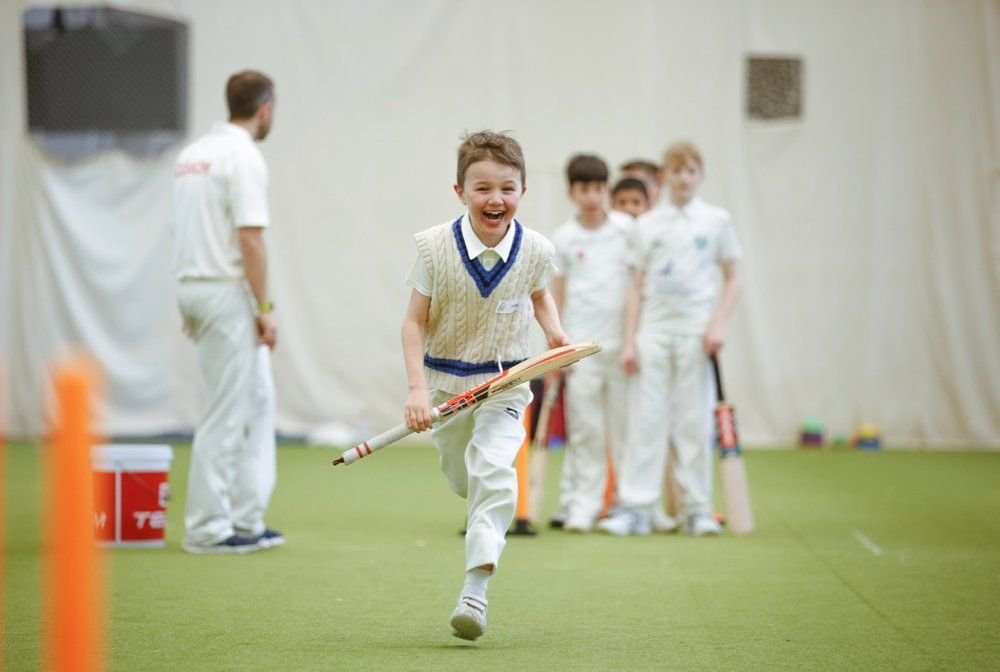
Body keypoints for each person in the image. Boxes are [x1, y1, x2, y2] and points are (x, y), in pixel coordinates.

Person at [402, 130, 570, 640]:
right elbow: (413, 323)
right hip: (446, 386)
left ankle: (474, 592)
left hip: (507, 383)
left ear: (522, 191)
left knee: (495, 471)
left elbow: (538, 292)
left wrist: (555, 333)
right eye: (481, 188)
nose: (495, 199)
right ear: (459, 192)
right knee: (465, 477)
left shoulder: (538, 249)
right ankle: (477, 499)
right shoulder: (433, 248)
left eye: (507, 188)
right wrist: (415, 391)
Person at [599, 141, 742, 537]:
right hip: (654, 334)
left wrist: (718, 325)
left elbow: (734, 277)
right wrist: (629, 341)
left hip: (696, 335)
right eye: (677, 171)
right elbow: (635, 286)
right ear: (664, 177)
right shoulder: (647, 225)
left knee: (693, 422)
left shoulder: (717, 221)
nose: (684, 178)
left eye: (691, 171)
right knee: (645, 421)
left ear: (701, 175)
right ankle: (636, 509)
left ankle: (697, 509)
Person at [171, 70, 283, 554]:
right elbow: (250, 239)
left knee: (257, 399)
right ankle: (206, 529)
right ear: (265, 109)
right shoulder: (243, 157)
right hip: (225, 293)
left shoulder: (191, 155)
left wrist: (192, 300)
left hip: (198, 286)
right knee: (226, 409)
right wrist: (265, 308)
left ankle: (245, 518)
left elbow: (189, 229)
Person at [548, 154, 633, 533]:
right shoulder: (563, 239)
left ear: (607, 189)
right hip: (581, 350)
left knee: (625, 428)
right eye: (584, 189)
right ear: (571, 192)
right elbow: (558, 296)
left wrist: (635, 340)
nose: (593, 196)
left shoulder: (628, 230)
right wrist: (557, 348)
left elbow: (639, 288)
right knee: (585, 430)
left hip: (623, 349)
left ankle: (626, 505)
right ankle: (584, 505)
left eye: (599, 188)